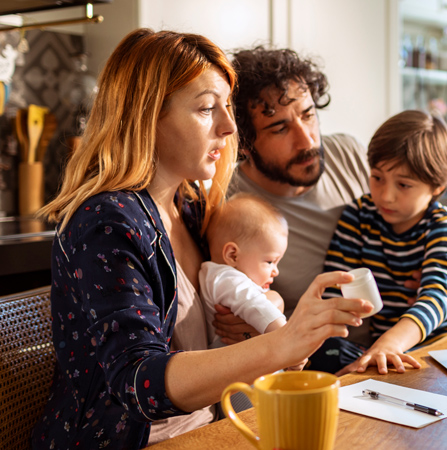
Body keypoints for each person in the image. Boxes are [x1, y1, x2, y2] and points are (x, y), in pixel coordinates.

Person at [31, 29, 370, 450]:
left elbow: (232, 307)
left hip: (210, 431)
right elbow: (139, 381)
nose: (229, 127)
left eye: (226, 107)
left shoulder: (191, 208)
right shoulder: (107, 222)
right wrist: (282, 343)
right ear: (146, 116)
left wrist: (263, 314)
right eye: (208, 108)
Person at [220, 46, 447, 351]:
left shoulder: (349, 152)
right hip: (321, 351)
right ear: (243, 143)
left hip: (419, 342)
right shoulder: (227, 203)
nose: (307, 140)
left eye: (308, 115)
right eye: (280, 128)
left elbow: (438, 251)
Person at [312, 109, 447, 375]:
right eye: (377, 178)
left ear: (437, 186)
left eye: (404, 185)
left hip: (438, 350)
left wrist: (391, 343)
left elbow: (437, 297)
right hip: (382, 351)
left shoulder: (442, 226)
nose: (386, 196)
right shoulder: (358, 216)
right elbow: (334, 290)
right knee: (325, 354)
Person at [200, 193, 288, 347]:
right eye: (270, 261)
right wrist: (291, 341)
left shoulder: (223, 276)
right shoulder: (225, 278)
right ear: (232, 255)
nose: (276, 272)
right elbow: (257, 306)